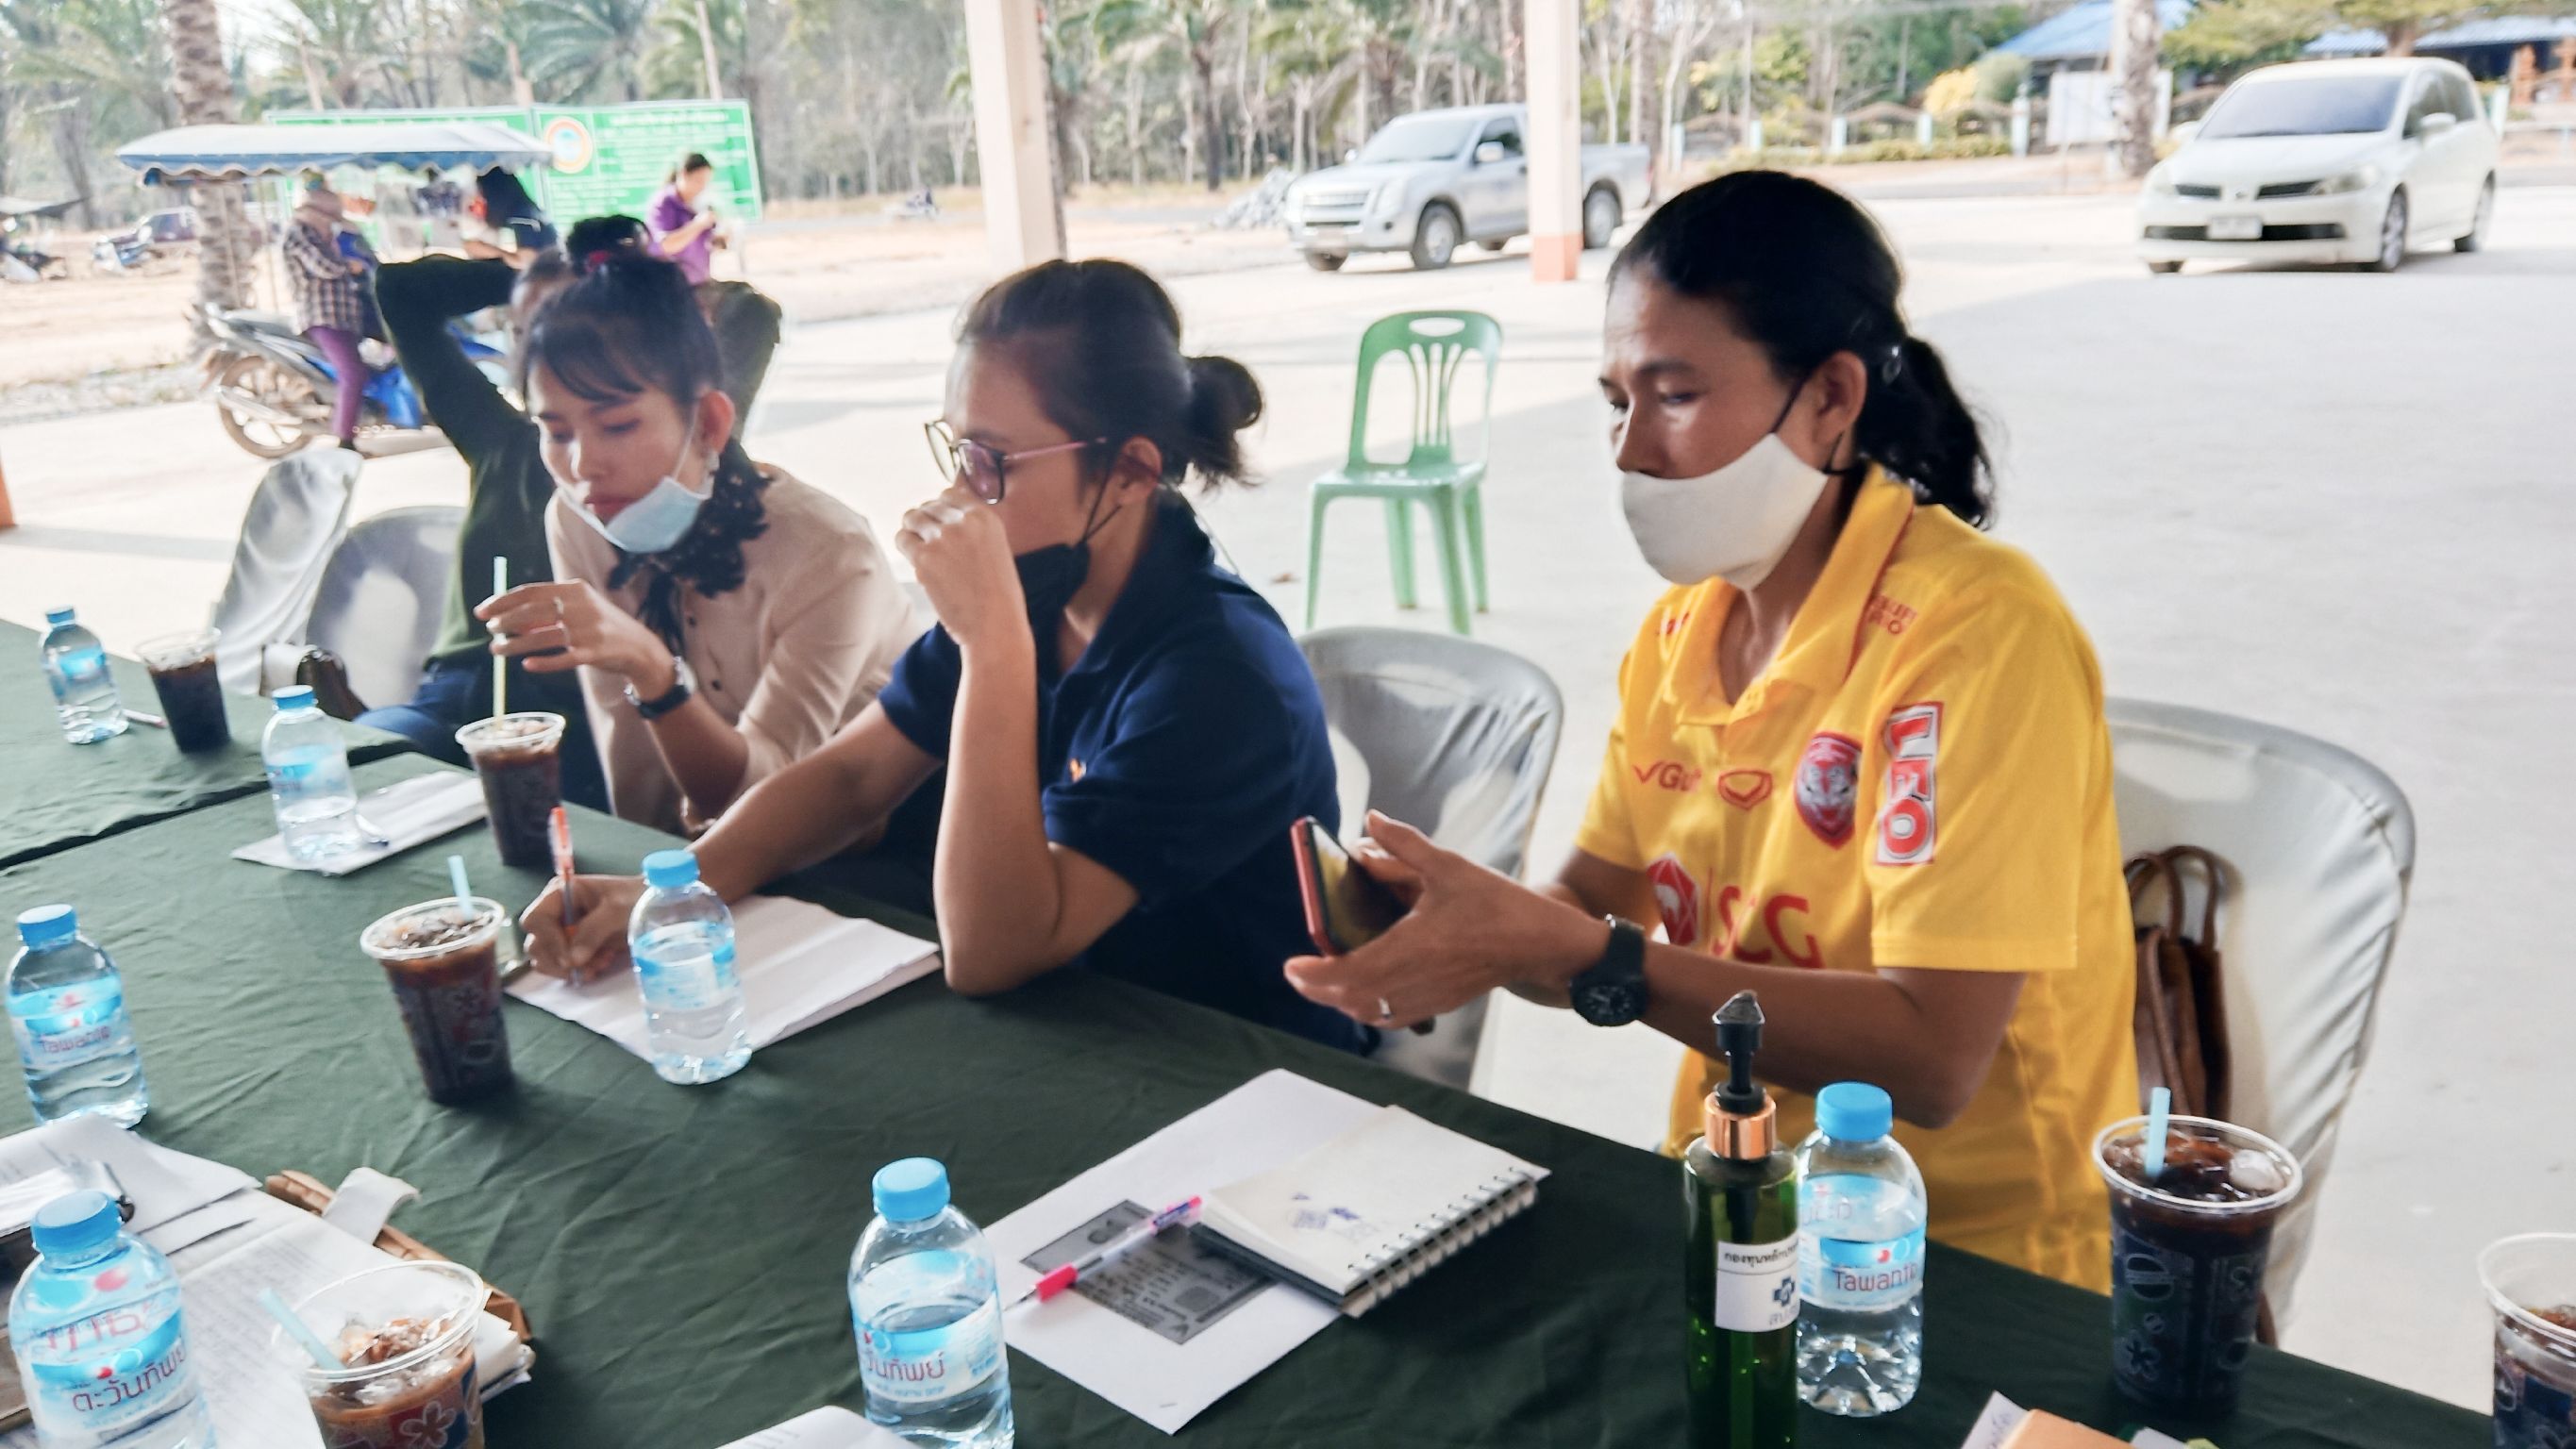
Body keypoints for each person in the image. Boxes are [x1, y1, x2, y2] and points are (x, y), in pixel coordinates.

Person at [1283, 172, 2138, 1291]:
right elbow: (1589, 908)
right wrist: (1476, 922)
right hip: (1736, 1203)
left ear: (1831, 399)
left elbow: (1932, 1059)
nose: (1631, 450)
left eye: (1674, 395)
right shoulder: (1682, 634)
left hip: (1966, 1262)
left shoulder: (1975, 637)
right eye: (1615, 401)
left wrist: (1590, 959)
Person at [522, 258, 1363, 1054]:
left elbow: (991, 953)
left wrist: (993, 648)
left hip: (1236, 1060)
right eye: (959, 452)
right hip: (1078, 1019)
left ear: (1132, 471)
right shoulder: (1041, 588)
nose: (960, 496)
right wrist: (674, 891)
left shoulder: (1217, 680)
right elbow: (849, 778)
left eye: (995, 463)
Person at [354, 217, 785, 810]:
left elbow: (752, 314)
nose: (558, 353)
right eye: (537, 332)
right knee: (361, 763)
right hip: (460, 694)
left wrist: (623, 283)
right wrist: (521, 272)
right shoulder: (496, 436)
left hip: (591, 710)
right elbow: (399, 292)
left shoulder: (674, 454)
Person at [477, 246, 911, 835]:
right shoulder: (577, 520)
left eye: (618, 425)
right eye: (555, 433)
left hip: (862, 849)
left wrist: (653, 670)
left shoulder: (828, 553)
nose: (582, 466)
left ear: (708, 422)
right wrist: (650, 886)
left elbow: (765, 796)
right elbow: (628, 756)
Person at [281, 184, 374, 452]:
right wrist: (350, 266)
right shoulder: (299, 233)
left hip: (342, 315)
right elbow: (325, 267)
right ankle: (345, 440)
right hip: (322, 317)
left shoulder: (322, 234)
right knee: (353, 373)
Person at [647, 154, 724, 287]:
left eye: (706, 182)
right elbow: (665, 246)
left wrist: (721, 238)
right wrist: (698, 224)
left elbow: (709, 243)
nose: (702, 187)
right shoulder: (663, 203)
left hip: (700, 281)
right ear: (683, 174)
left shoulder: (701, 203)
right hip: (671, 285)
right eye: (698, 181)